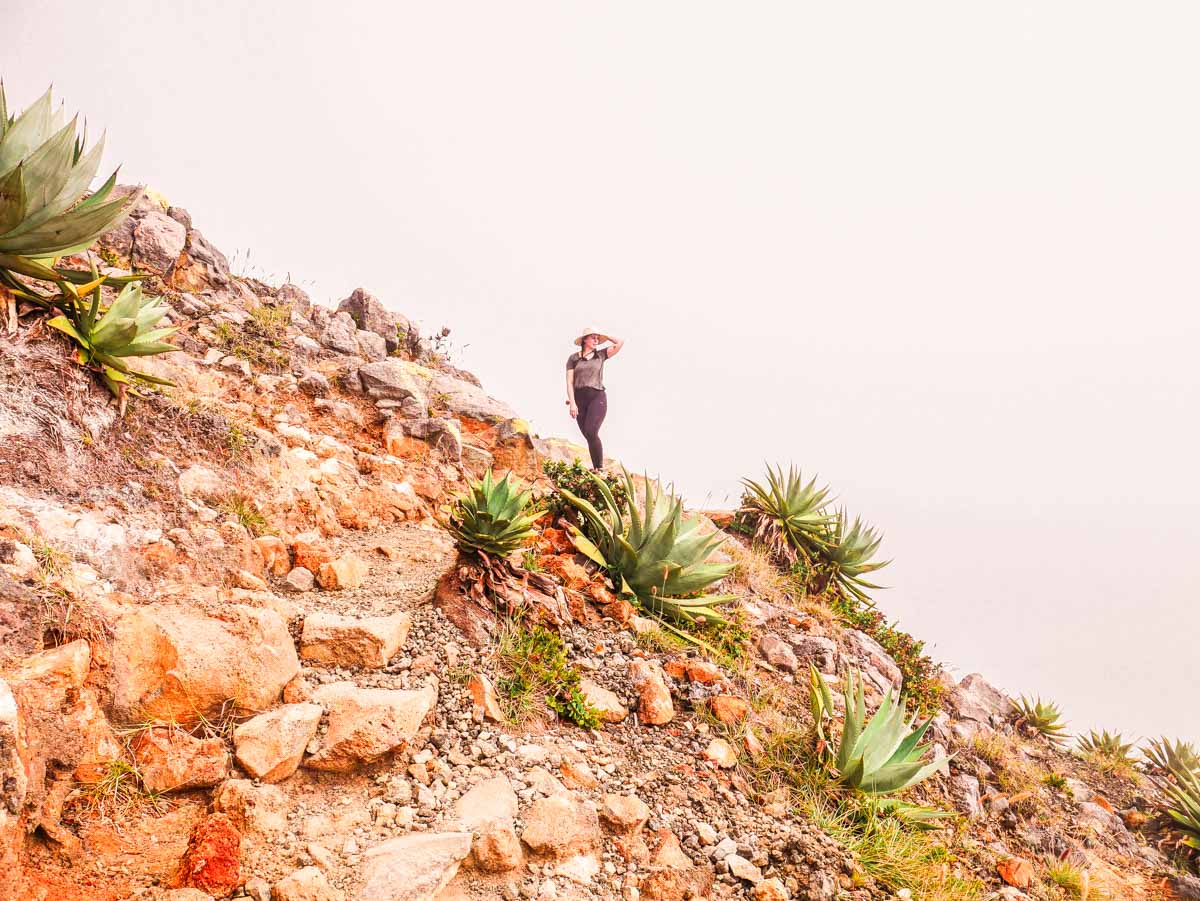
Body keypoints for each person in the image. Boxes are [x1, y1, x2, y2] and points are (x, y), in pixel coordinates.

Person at [565, 326, 624, 471]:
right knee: (588, 435)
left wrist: (604, 335)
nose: (596, 340)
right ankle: (596, 467)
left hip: (597, 397)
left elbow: (620, 342)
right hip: (579, 400)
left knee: (591, 432)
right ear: (584, 340)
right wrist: (572, 402)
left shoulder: (601, 354)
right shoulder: (574, 358)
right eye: (593, 337)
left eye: (598, 338)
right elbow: (569, 382)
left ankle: (599, 469)